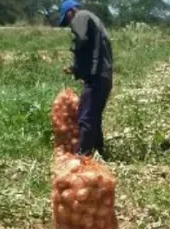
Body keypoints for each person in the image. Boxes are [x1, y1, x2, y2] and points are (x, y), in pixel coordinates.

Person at [59, 0, 113, 158]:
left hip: (97, 76)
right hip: (103, 75)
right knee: (93, 115)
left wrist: (76, 60)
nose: (70, 24)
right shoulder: (93, 19)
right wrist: (76, 69)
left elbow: (81, 39)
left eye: (67, 20)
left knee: (86, 116)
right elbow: (91, 48)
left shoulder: (80, 16)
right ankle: (99, 152)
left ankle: (82, 156)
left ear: (70, 12)